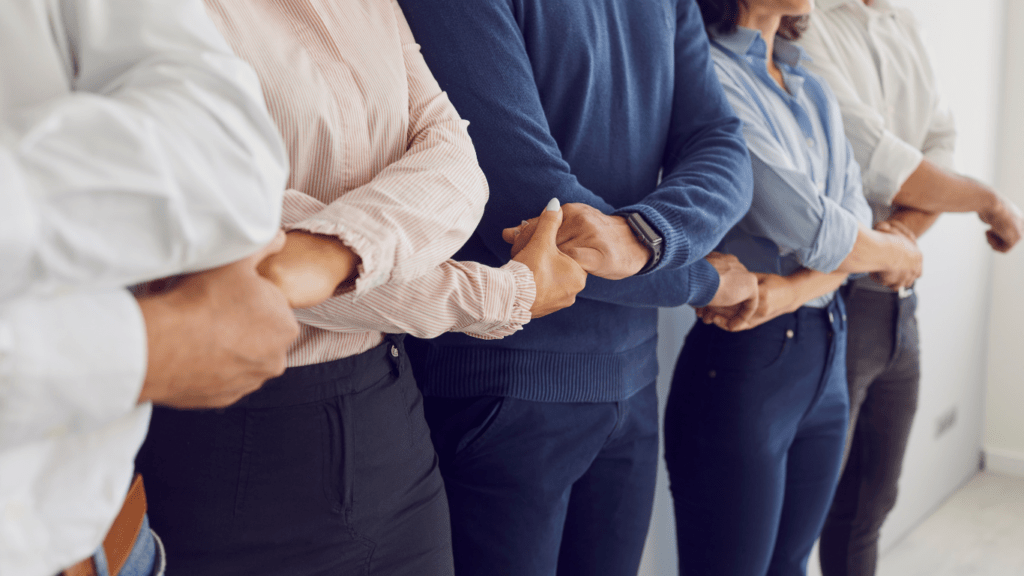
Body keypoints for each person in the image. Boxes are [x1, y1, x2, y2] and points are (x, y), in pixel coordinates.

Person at [133, 1, 587, 575]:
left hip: (390, 414)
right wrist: (497, 294)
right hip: (237, 442)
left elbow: (453, 156)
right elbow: (238, 250)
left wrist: (331, 251)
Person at [396, 1, 761, 574]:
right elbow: (531, 217)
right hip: (503, 391)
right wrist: (701, 279)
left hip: (631, 387)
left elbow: (722, 141)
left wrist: (646, 237)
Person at [0, 1, 300, 575]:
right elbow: (276, 219)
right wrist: (143, 349)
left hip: (115, 546)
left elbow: (230, 157)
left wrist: (343, 252)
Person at [661, 0, 927, 574]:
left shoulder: (808, 82)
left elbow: (849, 223)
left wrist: (792, 290)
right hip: (745, 360)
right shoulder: (708, 73)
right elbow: (808, 226)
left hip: (826, 347)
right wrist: (897, 251)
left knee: (791, 567)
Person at [796, 1, 1024, 574]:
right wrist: (988, 201)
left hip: (899, 300)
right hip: (832, 299)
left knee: (871, 505)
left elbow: (940, 143)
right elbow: (882, 160)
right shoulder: (806, 18)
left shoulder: (902, 24)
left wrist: (903, 235)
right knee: (807, 513)